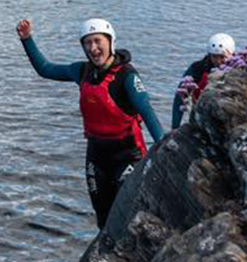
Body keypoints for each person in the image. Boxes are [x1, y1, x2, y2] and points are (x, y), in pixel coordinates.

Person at [17, 16, 164, 228]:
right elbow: (45, 69)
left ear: (110, 42)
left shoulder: (127, 77)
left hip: (127, 154)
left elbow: (147, 111)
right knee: (102, 215)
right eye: (88, 43)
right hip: (96, 154)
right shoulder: (82, 71)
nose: (93, 48)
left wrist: (162, 145)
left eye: (98, 41)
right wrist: (27, 39)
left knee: (127, 211)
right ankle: (105, 255)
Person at [172, 32, 233, 129]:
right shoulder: (198, 68)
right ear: (209, 55)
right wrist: (175, 127)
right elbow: (179, 97)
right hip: (202, 115)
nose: (218, 61)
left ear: (230, 55)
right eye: (214, 56)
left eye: (222, 57)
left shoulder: (239, 69)